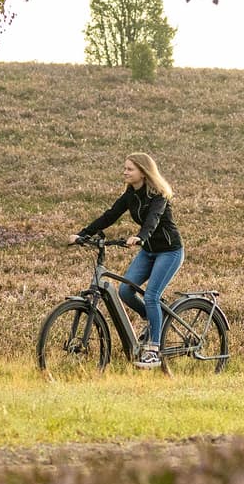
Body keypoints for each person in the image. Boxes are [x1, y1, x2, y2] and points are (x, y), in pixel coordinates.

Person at [70, 152, 184, 368]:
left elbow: (153, 219)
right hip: (149, 251)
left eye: (129, 169)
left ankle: (154, 351)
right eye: (125, 168)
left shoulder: (159, 194)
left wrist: (141, 237)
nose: (125, 172)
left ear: (143, 171)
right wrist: (83, 233)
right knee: (125, 291)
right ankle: (154, 321)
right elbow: (110, 215)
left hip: (169, 252)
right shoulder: (130, 194)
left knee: (151, 296)